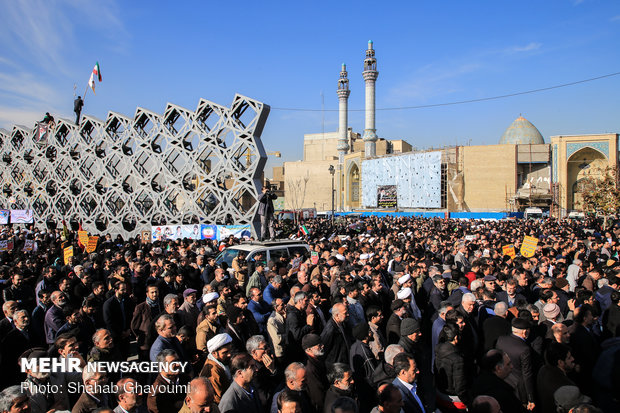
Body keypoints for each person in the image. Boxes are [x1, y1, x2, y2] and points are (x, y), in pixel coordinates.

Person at [495, 318, 536, 411]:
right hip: (519, 390)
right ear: (525, 332)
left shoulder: (501, 340)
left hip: (503, 383)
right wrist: (531, 398)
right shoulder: (524, 349)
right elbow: (527, 374)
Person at [200, 333, 234, 403]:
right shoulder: (213, 371)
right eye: (225, 352)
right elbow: (219, 398)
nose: (229, 354)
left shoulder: (223, 362)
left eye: (230, 350)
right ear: (214, 353)